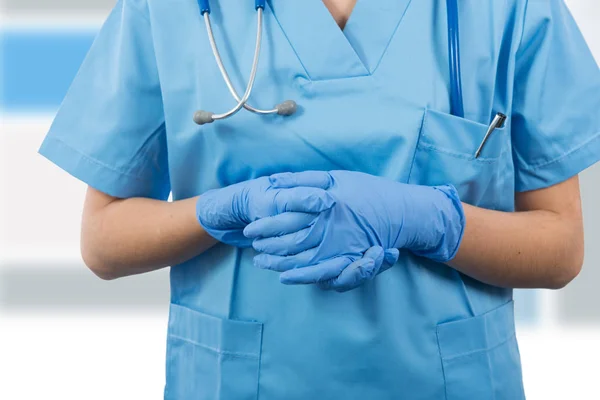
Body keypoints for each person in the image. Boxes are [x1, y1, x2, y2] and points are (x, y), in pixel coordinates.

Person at [39, 0, 600, 398]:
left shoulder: (509, 9)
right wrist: (219, 210)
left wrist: (424, 218)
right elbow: (104, 241)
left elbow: (560, 249)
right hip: (239, 383)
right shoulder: (168, 10)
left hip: (447, 383)